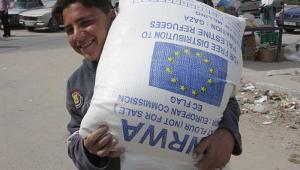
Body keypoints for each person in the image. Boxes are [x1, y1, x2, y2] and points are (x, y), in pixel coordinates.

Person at [52, 0, 242, 170]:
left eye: (85, 22)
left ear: (112, 17)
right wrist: (87, 151)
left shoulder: (148, 54)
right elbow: (75, 139)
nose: (77, 35)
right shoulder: (76, 83)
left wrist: (228, 133)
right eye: (69, 30)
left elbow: (225, 99)